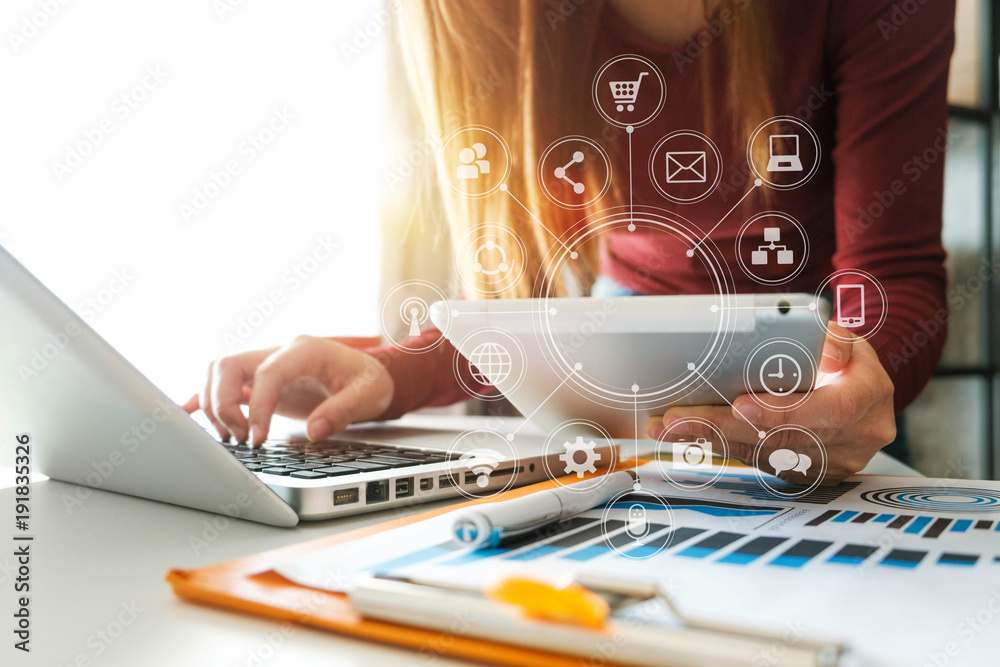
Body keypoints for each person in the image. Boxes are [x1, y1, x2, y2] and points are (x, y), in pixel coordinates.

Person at [185, 0, 955, 483]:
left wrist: (866, 376)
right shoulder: (499, 16)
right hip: (618, 328)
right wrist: (388, 375)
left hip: (820, 348)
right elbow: (527, 311)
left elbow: (892, 273)